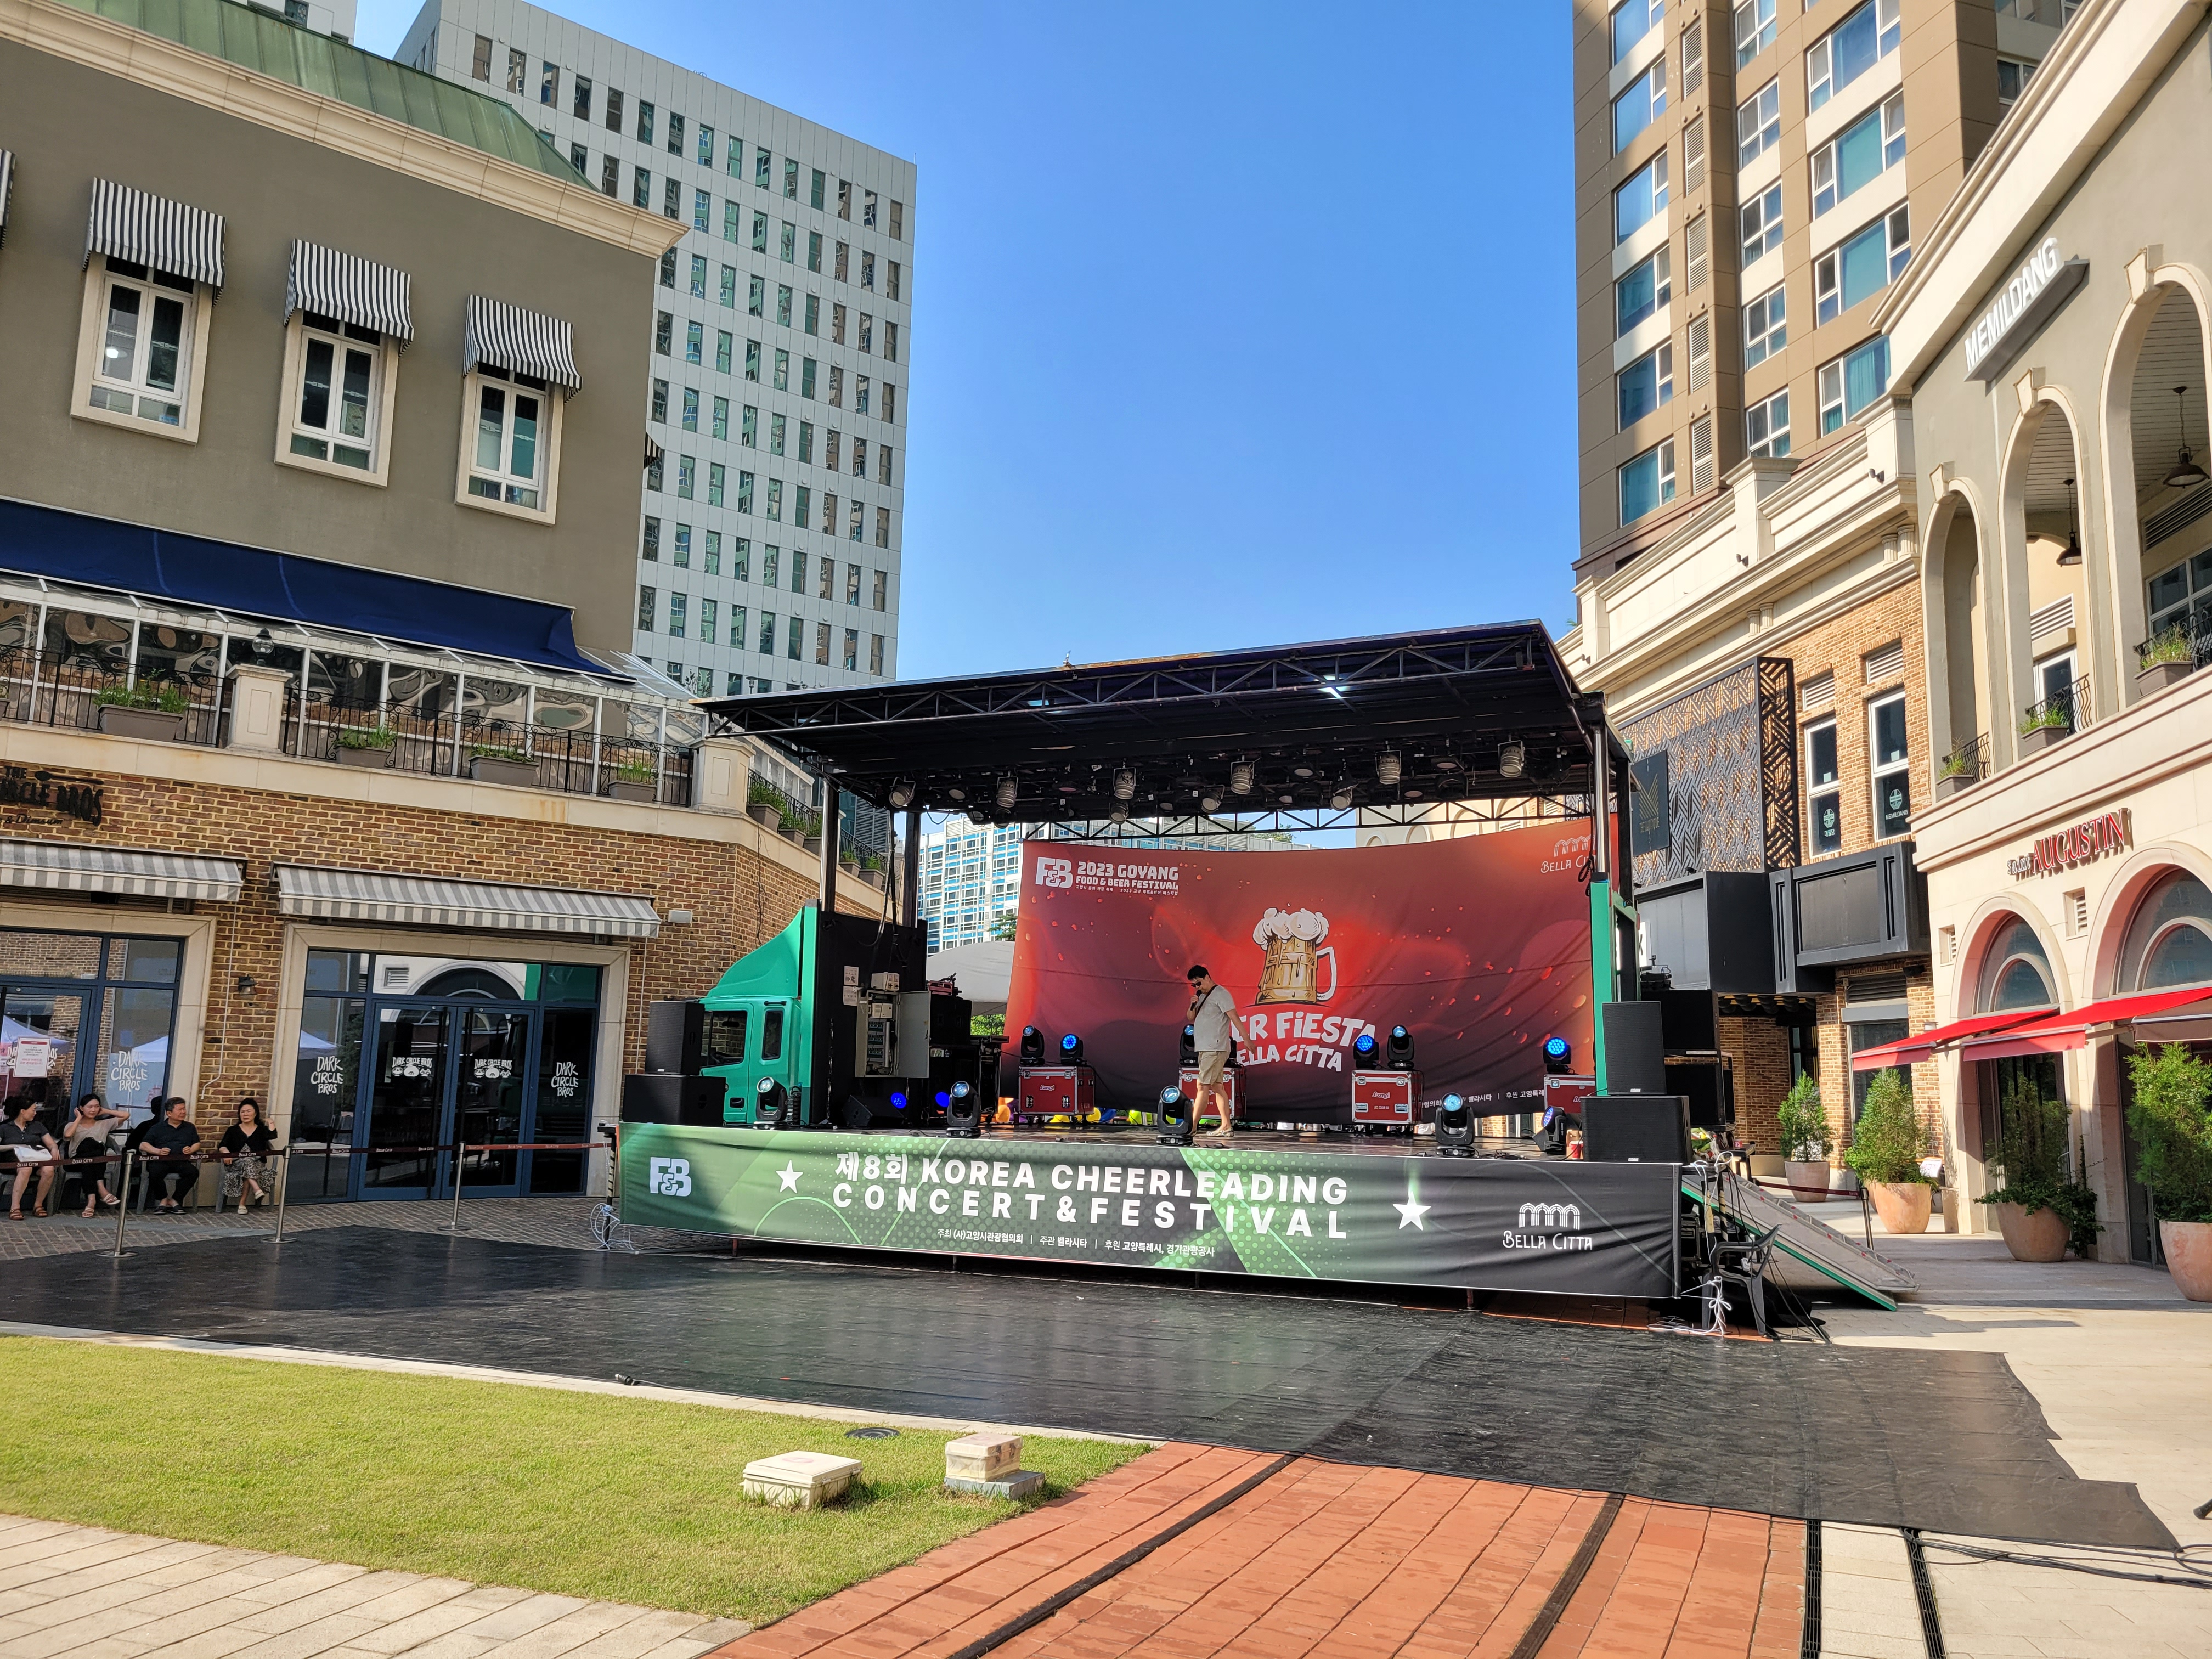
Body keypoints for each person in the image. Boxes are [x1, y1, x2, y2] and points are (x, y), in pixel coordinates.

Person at [1186, 964, 1239, 1139]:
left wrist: (1246, 1039)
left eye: (1199, 983)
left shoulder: (1221, 994)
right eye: (1194, 985)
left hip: (1214, 1048)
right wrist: (1193, 1003)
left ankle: (1191, 1127)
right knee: (1217, 1086)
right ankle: (1226, 1126)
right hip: (1205, 1047)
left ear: (1207, 977)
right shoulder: (1202, 996)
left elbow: (1234, 1017)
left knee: (1202, 1086)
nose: (1197, 987)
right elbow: (1190, 1017)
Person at [64, 1092, 128, 1217]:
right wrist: (78, 1118)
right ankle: (102, 1190)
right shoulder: (72, 1125)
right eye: (90, 1107)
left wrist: (105, 1111)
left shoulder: (104, 1124)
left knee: (92, 1160)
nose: (93, 1110)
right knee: (93, 1146)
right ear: (81, 1108)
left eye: (97, 1107)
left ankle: (92, 1201)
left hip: (93, 1163)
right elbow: (67, 1135)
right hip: (75, 1161)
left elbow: (126, 1115)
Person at [138, 1096, 202, 1211]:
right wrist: (158, 1151)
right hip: (161, 1161)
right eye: (180, 1110)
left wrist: (191, 1149)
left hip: (181, 1161)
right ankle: (162, 1200)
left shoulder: (190, 1127)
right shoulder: (157, 1128)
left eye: (184, 1109)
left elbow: (197, 1144)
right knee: (155, 1173)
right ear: (169, 1113)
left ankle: (174, 1200)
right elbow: (143, 1145)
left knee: (193, 1173)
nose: (183, 1112)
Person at [3, 1098, 61, 1220]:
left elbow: (51, 1143)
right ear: (23, 1111)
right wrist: (14, 1146)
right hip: (12, 1162)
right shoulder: (5, 1127)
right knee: (26, 1168)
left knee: (49, 1169)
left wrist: (54, 1148)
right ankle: (15, 1207)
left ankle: (38, 1205)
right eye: (33, 1110)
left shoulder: (38, 1126)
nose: (35, 1113)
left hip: (35, 1159)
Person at [218, 1098, 275, 1213]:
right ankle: (255, 1191)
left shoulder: (261, 1129)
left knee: (248, 1163)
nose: (245, 1114)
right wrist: (226, 1152)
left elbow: (273, 1135)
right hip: (236, 1164)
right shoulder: (233, 1130)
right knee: (247, 1162)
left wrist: (270, 1122)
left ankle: (243, 1203)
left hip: (257, 1164)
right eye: (243, 1112)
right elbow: (222, 1145)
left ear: (255, 1113)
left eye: (249, 1111)